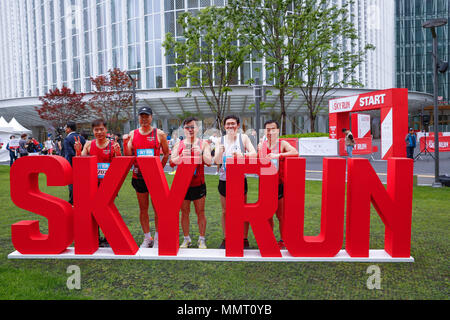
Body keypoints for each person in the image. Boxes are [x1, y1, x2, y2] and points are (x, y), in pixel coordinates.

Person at [123, 106, 170, 248]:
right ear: (138, 118)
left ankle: (157, 238)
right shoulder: (132, 134)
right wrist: (125, 143)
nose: (144, 119)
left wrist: (159, 169)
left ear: (151, 117)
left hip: (154, 177)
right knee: (143, 208)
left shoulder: (159, 134)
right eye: (141, 116)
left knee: (157, 209)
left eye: (146, 116)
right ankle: (146, 238)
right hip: (139, 177)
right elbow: (128, 155)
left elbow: (166, 153)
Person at [74, 119, 122, 247]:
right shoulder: (89, 145)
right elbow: (80, 161)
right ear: (93, 131)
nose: (99, 132)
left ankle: (109, 236)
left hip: (108, 184)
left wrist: (118, 153)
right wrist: (78, 151)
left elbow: (120, 164)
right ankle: (95, 236)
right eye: (96, 130)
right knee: (93, 212)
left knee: (107, 211)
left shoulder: (113, 144)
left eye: (101, 129)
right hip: (92, 184)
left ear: (106, 130)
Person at [214, 115, 257, 249]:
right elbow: (215, 161)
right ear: (224, 126)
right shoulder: (219, 141)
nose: (230, 126)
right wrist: (219, 153)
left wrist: (242, 155)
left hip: (239, 179)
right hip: (224, 180)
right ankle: (226, 238)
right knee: (225, 211)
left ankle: (244, 239)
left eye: (233, 124)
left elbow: (254, 154)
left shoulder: (242, 138)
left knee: (243, 210)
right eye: (228, 124)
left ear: (238, 125)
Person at [170, 117, 212, 249]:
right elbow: (172, 162)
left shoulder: (203, 143)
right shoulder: (179, 144)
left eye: (192, 127)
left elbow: (209, 162)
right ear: (184, 129)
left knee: (200, 212)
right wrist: (181, 157)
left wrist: (200, 154)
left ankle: (202, 239)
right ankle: (186, 239)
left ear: (197, 128)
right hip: (183, 185)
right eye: (187, 127)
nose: (190, 129)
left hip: (198, 184)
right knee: (184, 212)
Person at [258, 120, 298, 249]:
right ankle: (269, 239)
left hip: (279, 184)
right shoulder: (262, 145)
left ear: (278, 130)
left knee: (281, 215)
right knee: (266, 215)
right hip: (265, 185)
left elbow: (295, 153)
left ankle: (283, 240)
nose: (270, 132)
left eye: (273, 129)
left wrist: (278, 155)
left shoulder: (282, 143)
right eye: (268, 129)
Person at [63, 121, 86, 205]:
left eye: (66, 127)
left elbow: (69, 153)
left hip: (71, 163)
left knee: (72, 183)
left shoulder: (67, 139)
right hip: (82, 163)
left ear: (69, 128)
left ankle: (72, 200)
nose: (65, 129)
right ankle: (82, 198)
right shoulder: (81, 138)